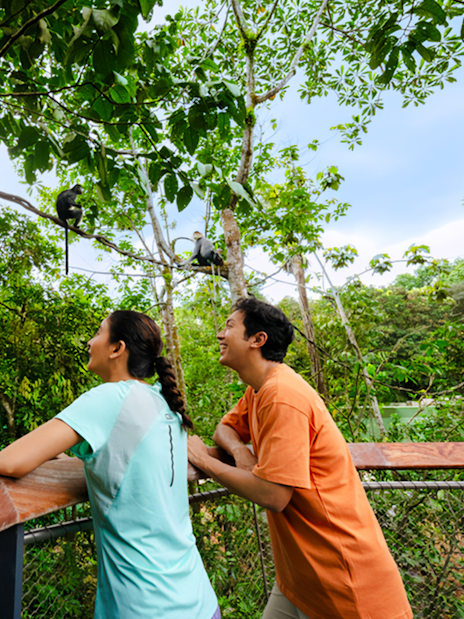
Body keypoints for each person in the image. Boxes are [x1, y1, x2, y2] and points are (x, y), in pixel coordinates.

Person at [188, 298, 413, 619]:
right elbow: (225, 428)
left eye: (229, 326)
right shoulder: (259, 390)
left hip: (347, 584)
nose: (220, 335)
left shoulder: (284, 396)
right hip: (301, 581)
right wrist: (239, 452)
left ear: (257, 339)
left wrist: (204, 461)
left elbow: (273, 495)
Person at [0, 310, 219, 619]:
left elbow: (11, 461)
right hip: (197, 599)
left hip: (145, 607)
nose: (89, 342)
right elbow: (122, 460)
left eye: (98, 333)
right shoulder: (162, 402)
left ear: (117, 348)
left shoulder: (109, 398)